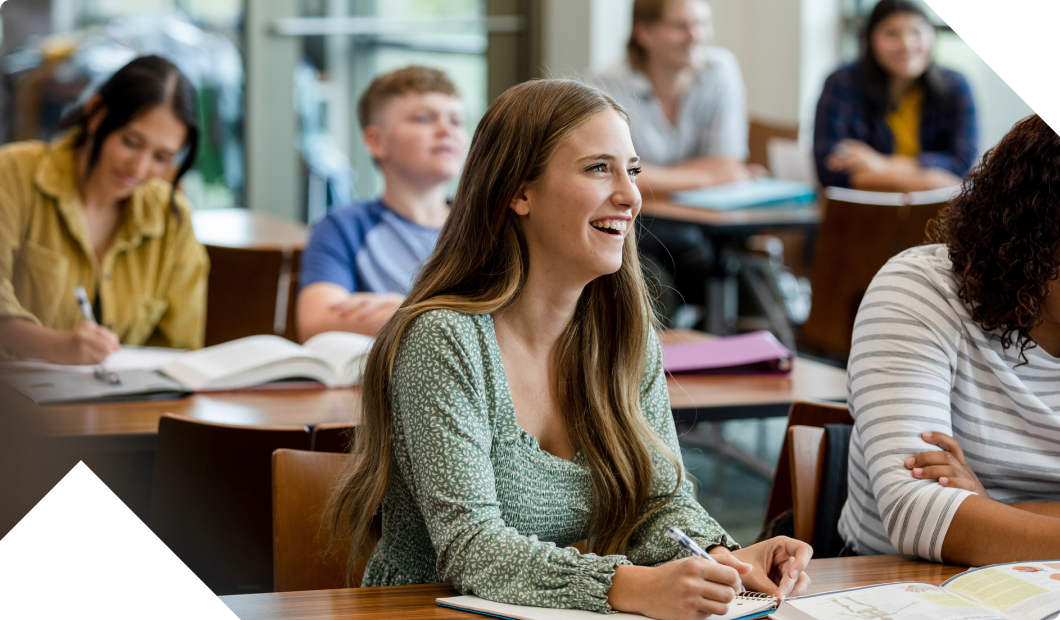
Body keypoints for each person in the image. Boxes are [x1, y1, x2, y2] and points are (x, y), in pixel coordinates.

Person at [329, 79, 812, 620]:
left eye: (632, 170)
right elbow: (473, 549)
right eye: (597, 168)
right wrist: (631, 587)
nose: (631, 196)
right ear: (519, 192)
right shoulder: (444, 339)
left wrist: (725, 560)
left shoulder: (624, 338)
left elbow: (658, 505)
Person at [838, 114, 1060, 566]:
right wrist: (965, 518)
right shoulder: (920, 290)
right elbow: (916, 512)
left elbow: (949, 518)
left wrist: (988, 513)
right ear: (1035, 239)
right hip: (897, 586)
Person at [0, 55, 208, 364]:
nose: (138, 168)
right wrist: (55, 347)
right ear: (96, 114)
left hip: (123, 408)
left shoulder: (173, 219)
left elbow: (180, 350)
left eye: (162, 158)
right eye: (131, 141)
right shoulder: (12, 174)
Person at [593, 0, 763, 327]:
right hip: (634, 224)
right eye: (680, 26)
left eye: (702, 24)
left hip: (704, 226)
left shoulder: (720, 70)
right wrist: (706, 177)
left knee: (752, 291)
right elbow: (613, 178)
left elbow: (727, 161)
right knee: (654, 292)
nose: (695, 36)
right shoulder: (605, 86)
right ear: (644, 32)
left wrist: (651, 176)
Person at [297, 66, 466, 340]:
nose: (446, 130)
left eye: (457, 121)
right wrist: (459, 314)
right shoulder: (343, 227)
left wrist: (404, 308)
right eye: (424, 118)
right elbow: (316, 322)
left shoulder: (490, 226)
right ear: (376, 141)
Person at [813, 0, 977, 192]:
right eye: (891, 33)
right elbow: (830, 170)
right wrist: (927, 181)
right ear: (869, 38)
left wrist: (880, 163)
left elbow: (962, 164)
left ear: (932, 36)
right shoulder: (842, 82)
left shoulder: (955, 85)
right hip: (862, 210)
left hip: (935, 211)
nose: (906, 44)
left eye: (917, 32)